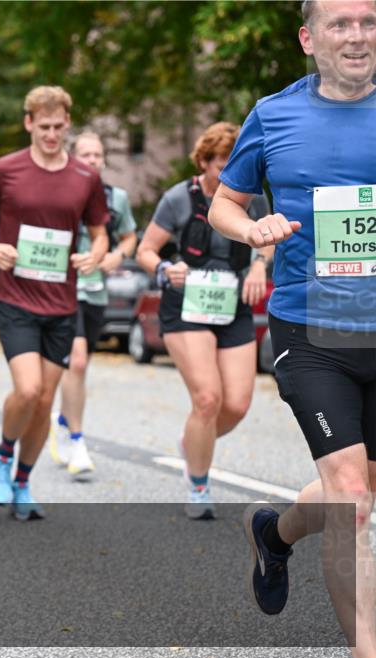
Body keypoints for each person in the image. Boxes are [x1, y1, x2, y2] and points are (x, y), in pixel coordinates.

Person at [207, 1, 375, 658]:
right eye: (341, 23)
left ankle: (273, 533)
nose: (357, 34)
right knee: (352, 496)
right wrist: (252, 230)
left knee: (357, 486)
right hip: (311, 329)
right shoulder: (273, 115)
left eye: (368, 20)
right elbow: (226, 201)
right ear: (309, 38)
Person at [0, 85, 109, 520]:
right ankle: (2, 457)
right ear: (28, 123)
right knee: (27, 389)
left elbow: (101, 232)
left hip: (62, 304)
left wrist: (95, 255)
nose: (51, 135)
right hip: (16, 297)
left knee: (45, 401)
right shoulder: (3, 169)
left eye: (58, 127)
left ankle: (23, 483)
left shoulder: (85, 178)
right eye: (43, 127)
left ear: (67, 124)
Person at [136, 122, 272, 520]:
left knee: (237, 403)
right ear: (204, 161)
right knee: (208, 398)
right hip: (186, 306)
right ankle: (198, 483)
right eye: (219, 163)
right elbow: (146, 250)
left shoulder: (254, 199)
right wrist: (164, 268)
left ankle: (193, 440)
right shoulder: (178, 198)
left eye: (234, 162)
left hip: (232, 306)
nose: (227, 170)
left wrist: (260, 266)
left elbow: (267, 244)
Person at [49, 131, 138, 479]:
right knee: (79, 361)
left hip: (96, 292)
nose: (93, 160)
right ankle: (77, 440)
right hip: (63, 290)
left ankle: (61, 420)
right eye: (85, 154)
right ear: (72, 159)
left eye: (98, 155)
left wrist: (117, 255)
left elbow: (130, 236)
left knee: (79, 367)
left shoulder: (117, 199)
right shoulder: (58, 195)